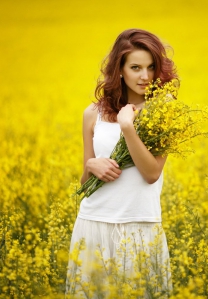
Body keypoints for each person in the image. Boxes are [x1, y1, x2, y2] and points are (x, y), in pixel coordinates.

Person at [65, 29, 178, 298]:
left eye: (151, 67)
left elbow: (152, 173)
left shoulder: (164, 109)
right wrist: (92, 165)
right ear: (120, 69)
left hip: (139, 224)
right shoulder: (93, 114)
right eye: (136, 67)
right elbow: (85, 182)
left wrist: (128, 127)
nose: (145, 76)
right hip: (93, 222)